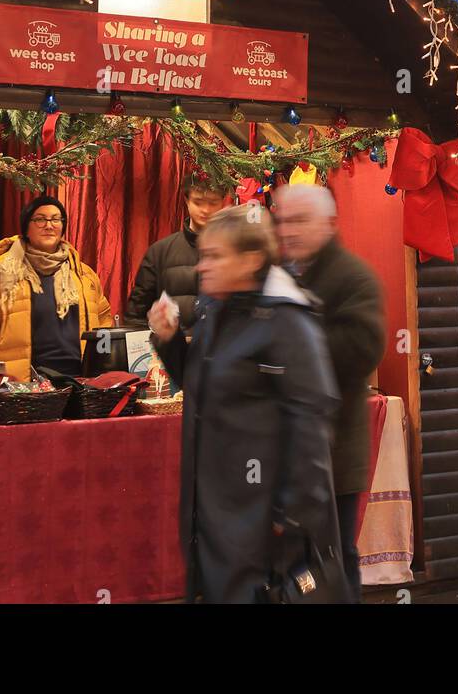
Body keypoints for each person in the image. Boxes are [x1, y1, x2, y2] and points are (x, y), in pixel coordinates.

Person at [149, 204, 345, 604]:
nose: (201, 267)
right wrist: (168, 340)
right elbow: (200, 386)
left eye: (215, 256)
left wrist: (287, 520)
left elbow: (311, 424)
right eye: (202, 255)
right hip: (217, 513)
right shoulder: (216, 310)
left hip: (259, 524)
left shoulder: (288, 319)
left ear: (251, 259)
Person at [272, 181, 386, 599]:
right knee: (288, 562)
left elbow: (363, 348)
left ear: (330, 224)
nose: (289, 231)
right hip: (282, 449)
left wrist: (292, 340)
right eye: (283, 221)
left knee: (331, 561)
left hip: (331, 451)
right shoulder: (279, 274)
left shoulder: (353, 277)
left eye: (300, 221)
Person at [0, 195, 113, 380]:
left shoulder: (84, 276)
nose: (49, 225)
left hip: (82, 386)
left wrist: (105, 377)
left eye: (56, 219)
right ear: (26, 228)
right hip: (25, 391)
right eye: (40, 219)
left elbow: (105, 328)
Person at [124, 177, 226, 330]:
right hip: (171, 350)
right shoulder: (159, 252)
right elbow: (136, 316)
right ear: (186, 200)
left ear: (223, 202)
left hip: (222, 350)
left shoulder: (236, 253)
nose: (206, 209)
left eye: (213, 203)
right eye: (198, 202)